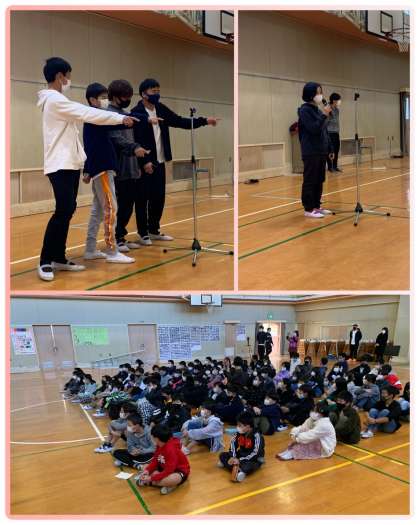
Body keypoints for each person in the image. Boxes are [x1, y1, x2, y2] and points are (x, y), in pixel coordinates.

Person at [37, 58, 137, 281]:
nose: (69, 80)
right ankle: (45, 260)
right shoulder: (54, 100)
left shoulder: (59, 100)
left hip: (71, 164)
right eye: (68, 76)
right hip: (59, 164)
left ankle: (59, 257)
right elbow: (87, 113)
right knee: (62, 210)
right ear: (59, 76)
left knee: (68, 210)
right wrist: (121, 118)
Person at [130, 78, 219, 245]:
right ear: (143, 94)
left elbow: (179, 121)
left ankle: (154, 230)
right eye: (153, 91)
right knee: (142, 198)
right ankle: (143, 233)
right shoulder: (137, 113)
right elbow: (136, 139)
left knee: (159, 197)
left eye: (158, 91)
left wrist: (204, 121)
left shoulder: (160, 109)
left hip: (160, 160)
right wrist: (145, 161)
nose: (157, 94)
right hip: (144, 162)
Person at [107, 79, 152, 253]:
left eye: (129, 96)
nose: (127, 100)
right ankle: (115, 239)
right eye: (125, 96)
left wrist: (138, 159)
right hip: (118, 168)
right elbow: (116, 139)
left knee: (128, 204)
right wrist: (133, 147)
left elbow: (131, 139)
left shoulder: (126, 114)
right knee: (119, 205)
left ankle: (121, 236)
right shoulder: (109, 115)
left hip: (131, 166)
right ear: (115, 96)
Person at [298, 82, 334, 219]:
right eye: (318, 92)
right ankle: (308, 208)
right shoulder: (304, 111)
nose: (320, 95)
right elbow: (314, 128)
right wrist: (324, 115)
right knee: (310, 179)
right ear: (310, 94)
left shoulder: (318, 110)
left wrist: (329, 147)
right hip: (311, 150)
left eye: (321, 92)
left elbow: (324, 130)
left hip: (321, 150)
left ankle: (316, 206)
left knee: (319, 179)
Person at [136, 424, 190, 495]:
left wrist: (151, 479)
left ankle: (151, 483)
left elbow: (169, 471)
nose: (151, 437)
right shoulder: (160, 444)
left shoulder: (171, 450)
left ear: (156, 439)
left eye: (152, 436)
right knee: (145, 467)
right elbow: (155, 460)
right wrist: (147, 470)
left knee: (173, 479)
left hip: (177, 471)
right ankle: (165, 484)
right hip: (164, 467)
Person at [218, 411, 265, 482]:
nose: (237, 427)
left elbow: (256, 453)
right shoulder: (239, 433)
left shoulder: (257, 436)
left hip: (253, 458)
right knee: (222, 455)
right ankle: (238, 470)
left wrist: (240, 460)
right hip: (241, 454)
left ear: (248, 426)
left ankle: (235, 468)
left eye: (240, 425)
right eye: (237, 425)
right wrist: (233, 457)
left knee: (248, 466)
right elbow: (233, 444)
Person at [326, 93, 342, 173]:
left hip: (336, 132)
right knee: (330, 150)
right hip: (329, 132)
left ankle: (335, 166)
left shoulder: (337, 110)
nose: (339, 102)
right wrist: (329, 115)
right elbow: (325, 121)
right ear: (334, 100)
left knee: (336, 149)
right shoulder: (328, 108)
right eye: (338, 100)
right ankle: (330, 167)